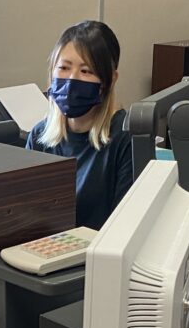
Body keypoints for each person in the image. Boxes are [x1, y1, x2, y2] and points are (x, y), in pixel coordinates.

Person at [26, 20, 134, 230]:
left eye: (86, 71)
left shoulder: (126, 137)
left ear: (109, 80)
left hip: (100, 249)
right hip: (45, 246)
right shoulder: (39, 136)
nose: (72, 79)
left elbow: (125, 227)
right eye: (64, 68)